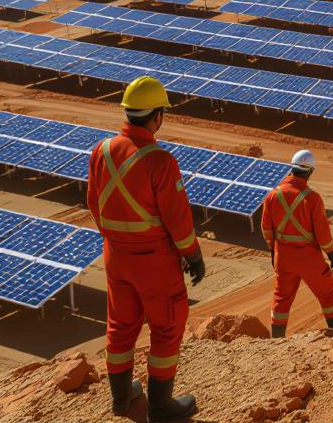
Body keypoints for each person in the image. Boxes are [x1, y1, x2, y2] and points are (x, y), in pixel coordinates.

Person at [87, 76, 203, 422]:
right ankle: (161, 408)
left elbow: (93, 202)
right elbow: (178, 218)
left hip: (115, 256)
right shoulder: (159, 161)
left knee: (120, 326)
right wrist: (192, 254)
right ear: (157, 116)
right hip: (154, 262)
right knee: (167, 327)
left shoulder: (102, 150)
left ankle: (121, 399)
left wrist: (117, 239)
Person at [261, 149, 333, 338]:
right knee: (327, 293)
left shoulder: (272, 195)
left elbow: (266, 229)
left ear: (291, 169)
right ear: (309, 172)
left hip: (283, 258)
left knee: (281, 298)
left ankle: (276, 340)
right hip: (309, 259)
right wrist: (332, 255)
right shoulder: (312, 198)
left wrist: (272, 252)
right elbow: (323, 234)